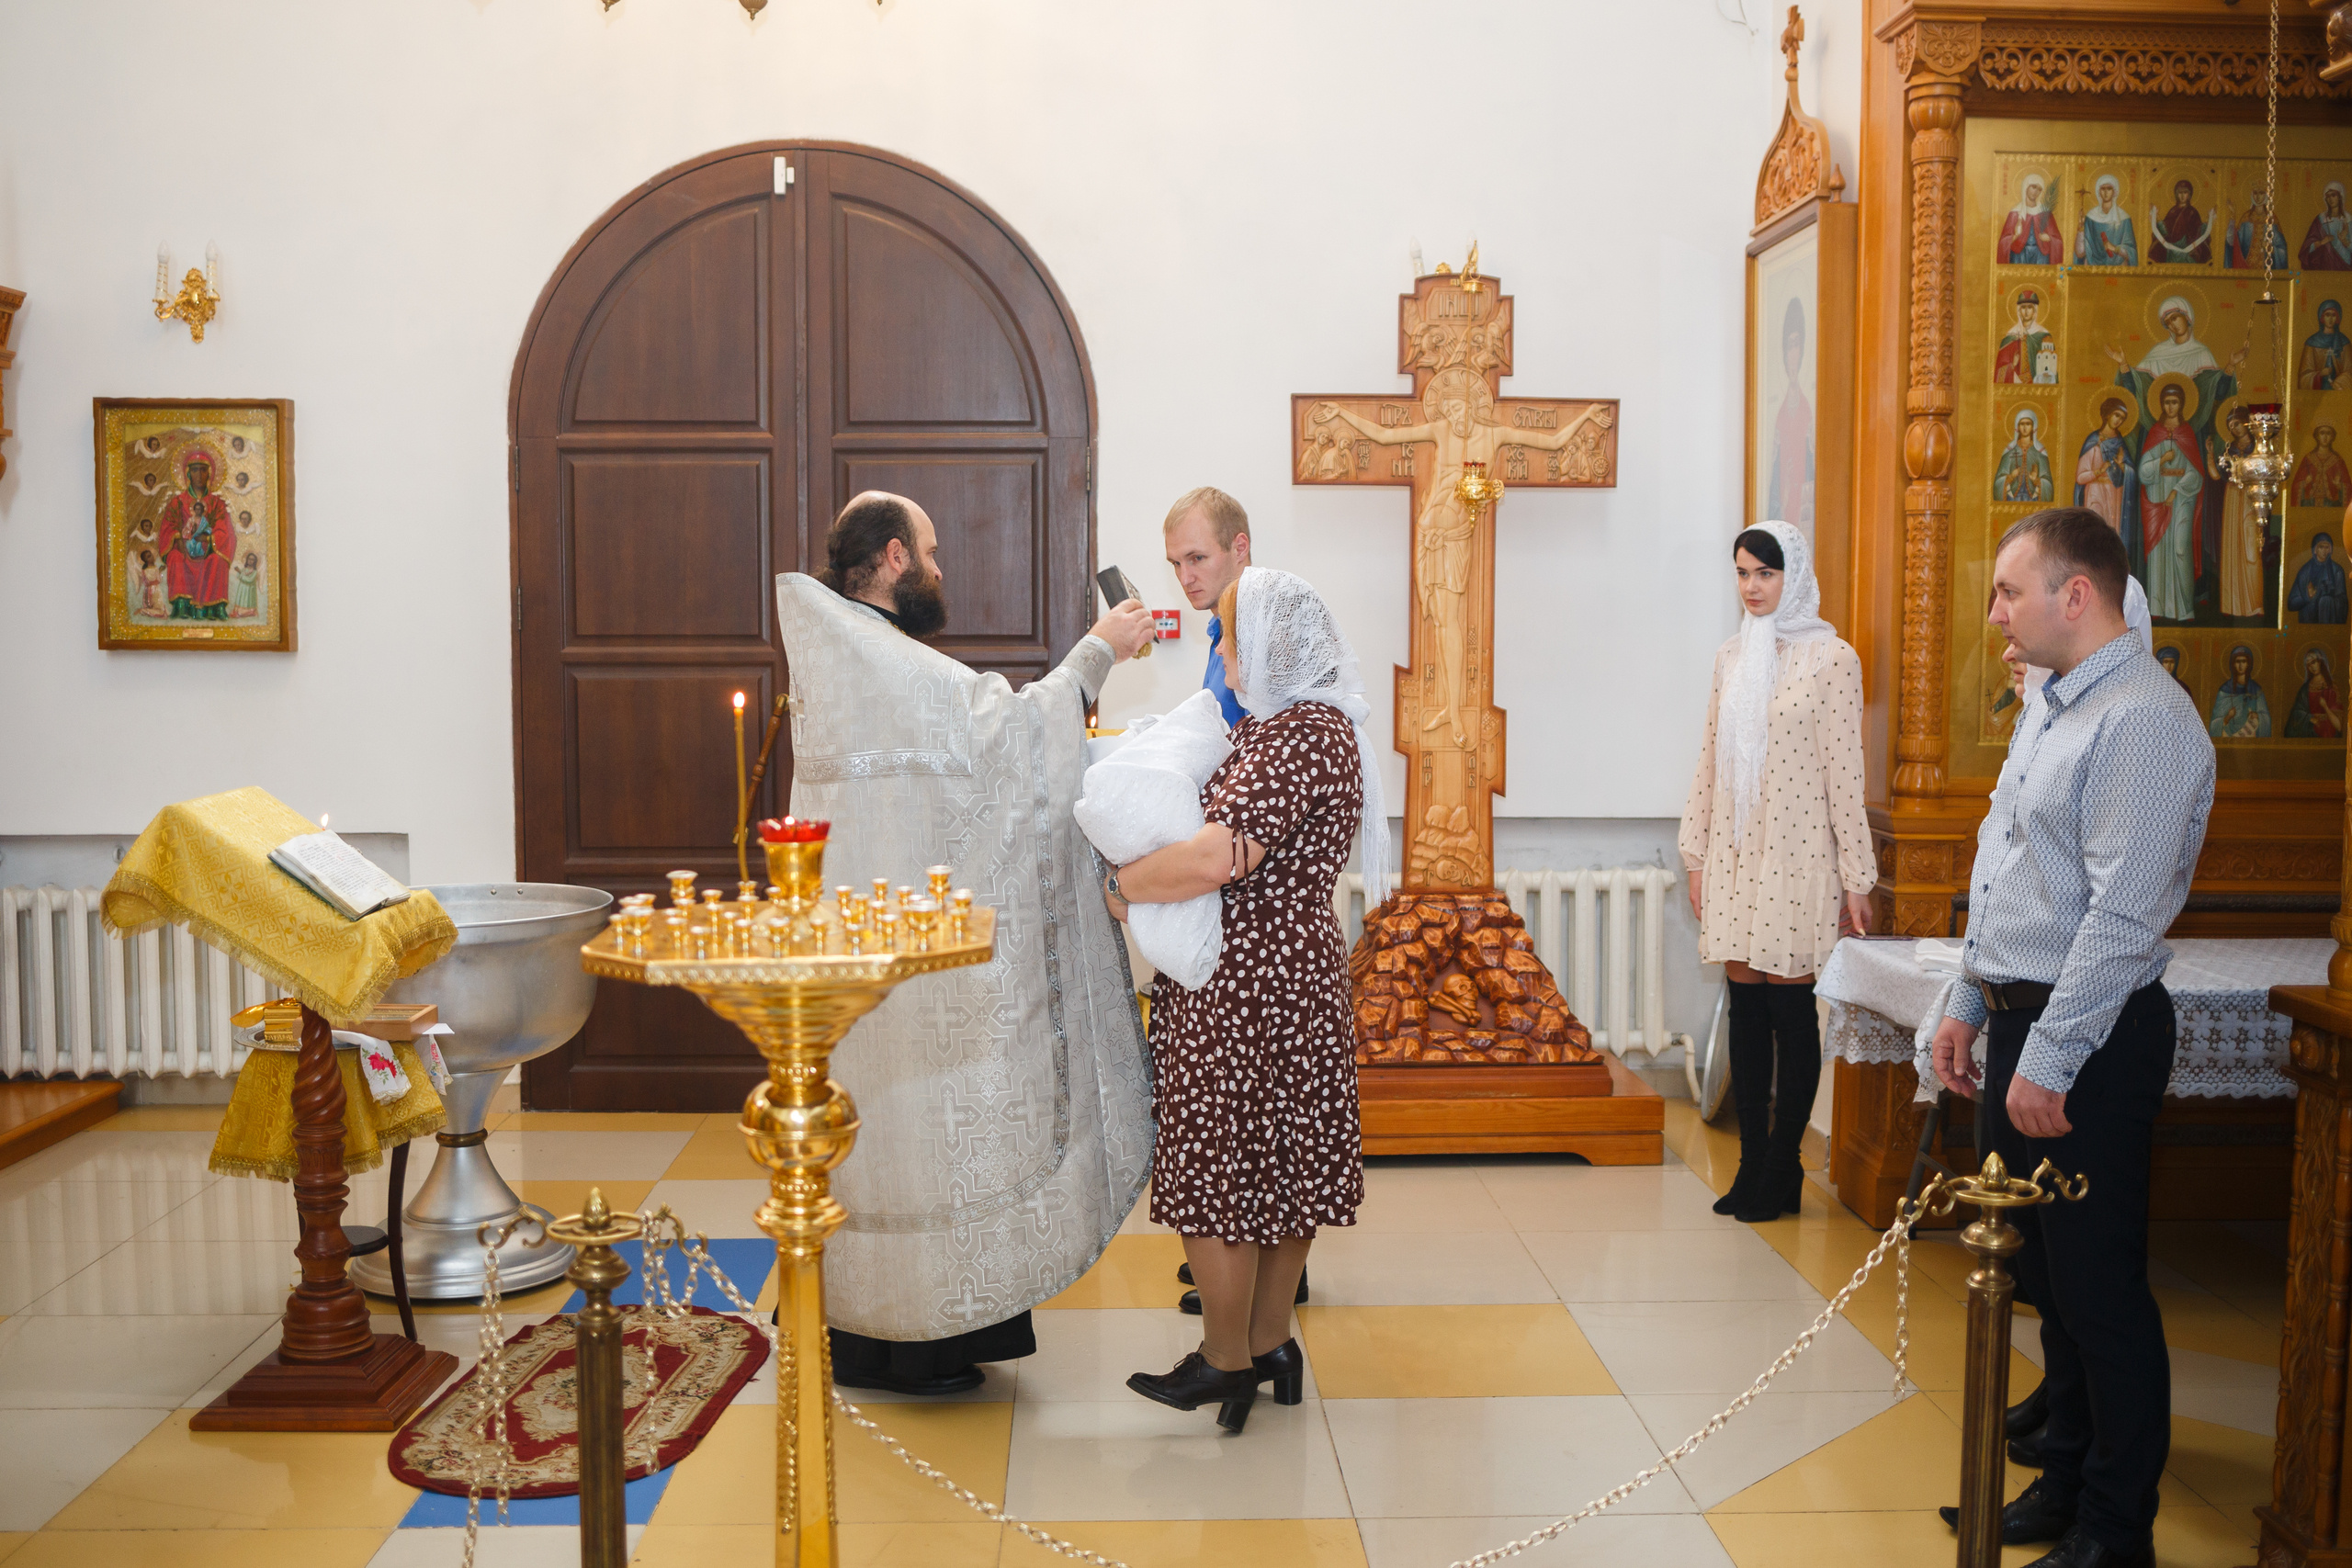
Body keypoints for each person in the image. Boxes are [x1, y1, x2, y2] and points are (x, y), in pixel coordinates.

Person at [772, 491, 1156, 1396]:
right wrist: (1099, 650)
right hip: (913, 971)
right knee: (930, 1130)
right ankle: (918, 1343)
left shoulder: (852, 657)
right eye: (933, 549)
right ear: (896, 557)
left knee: (884, 1138)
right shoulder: (877, 656)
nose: (941, 567)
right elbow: (1012, 738)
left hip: (869, 966)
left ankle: (875, 1333)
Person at [1930, 507, 2215, 1568]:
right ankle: (2061, 1482)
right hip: (2020, 1017)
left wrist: (2049, 1058)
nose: (1995, 612)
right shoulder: (2050, 707)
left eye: (2009, 591)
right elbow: (2007, 864)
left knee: (2098, 1291)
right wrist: (1966, 998)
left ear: (2076, 595)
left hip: (2086, 1040)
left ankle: (2113, 1528)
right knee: (2044, 1281)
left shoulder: (2141, 719)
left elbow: (2121, 913)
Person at [1107, 567, 1383, 1433]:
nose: (1217, 650)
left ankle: (1226, 1358)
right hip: (1282, 975)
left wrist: (1125, 886)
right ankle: (1268, 1343)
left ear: (1269, 644)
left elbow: (1218, 858)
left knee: (1219, 1167)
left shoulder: (1298, 734)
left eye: (1226, 635)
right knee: (1277, 1164)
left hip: (1247, 982)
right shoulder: (1303, 727)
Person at [1679, 521, 1875, 1224]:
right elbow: (1708, 759)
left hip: (1797, 857)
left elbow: (1845, 775)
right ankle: (1750, 1164)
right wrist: (1696, 855)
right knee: (1745, 1011)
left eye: (1765, 572)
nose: (1753, 586)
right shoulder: (1731, 656)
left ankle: (1783, 1167)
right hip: (1735, 855)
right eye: (1742, 573)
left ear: (1793, 575)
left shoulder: (1833, 659)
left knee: (1792, 1016)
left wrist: (1858, 874)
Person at [1162, 486, 1251, 729]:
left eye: (1197, 558)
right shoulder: (1220, 626)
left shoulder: (1262, 631)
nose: (1184, 578)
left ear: (1239, 548)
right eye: (1176, 563)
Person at [2133, 381, 2208, 622]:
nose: (2170, 406)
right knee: (2158, 552)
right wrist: (2161, 460)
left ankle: (2184, 609)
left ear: (2182, 404)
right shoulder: (2155, 432)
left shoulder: (2187, 434)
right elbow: (2143, 472)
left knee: (2180, 548)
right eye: (2166, 402)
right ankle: (2157, 608)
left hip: (2182, 498)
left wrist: (2176, 489)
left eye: (2175, 402)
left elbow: (2196, 473)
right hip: (2157, 497)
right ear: (2161, 404)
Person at [156, 447, 233, 622]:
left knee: (218, 561)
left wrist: (209, 539)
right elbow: (168, 527)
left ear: (210, 474)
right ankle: (181, 605)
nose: (199, 474)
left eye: (203, 470)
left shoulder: (216, 503)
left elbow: (223, 529)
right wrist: (178, 537)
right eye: (195, 470)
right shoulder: (177, 502)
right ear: (188, 474)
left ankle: (214, 608)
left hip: (208, 552)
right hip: (184, 550)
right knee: (175, 557)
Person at [2074, 397, 2139, 539]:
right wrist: (2099, 471)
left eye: (2122, 418)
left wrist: (2122, 465)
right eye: (2116, 415)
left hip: (2115, 496)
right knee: (2095, 533)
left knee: (2111, 536)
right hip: (2095, 492)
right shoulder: (2093, 441)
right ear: (2108, 414)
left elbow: (2132, 473)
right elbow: (2080, 477)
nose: (2118, 421)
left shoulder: (2121, 443)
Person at [2209, 644, 2272, 739]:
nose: (2241, 665)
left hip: (2251, 740)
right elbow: (2213, 725)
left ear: (2248, 664)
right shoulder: (2224, 691)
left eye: (2244, 661)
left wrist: (2257, 716)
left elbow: (2266, 719)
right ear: (2233, 664)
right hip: (2228, 739)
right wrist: (2227, 718)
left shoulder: (2256, 690)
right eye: (2237, 661)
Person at [1999, 173, 2063, 265]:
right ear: (2026, 187)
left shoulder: (2046, 213)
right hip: (2019, 256)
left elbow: (2058, 241)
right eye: (2033, 187)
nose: (2036, 192)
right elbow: (2002, 243)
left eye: (2039, 189)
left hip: (2041, 257)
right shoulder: (2015, 213)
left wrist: (2049, 238)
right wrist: (2016, 235)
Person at [1995, 291, 2055, 387]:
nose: (2026, 311)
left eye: (2030, 307)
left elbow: (2052, 372)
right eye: (2023, 307)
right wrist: (2012, 365)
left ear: (2035, 310)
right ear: (2019, 311)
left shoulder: (2045, 337)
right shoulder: (2010, 337)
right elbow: (1998, 374)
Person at [1995, 410, 2055, 503]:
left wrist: (2037, 481)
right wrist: (2011, 477)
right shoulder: (2009, 453)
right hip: (2012, 499)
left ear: (2033, 427)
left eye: (2028, 424)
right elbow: (1997, 483)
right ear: (2017, 427)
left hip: (2033, 499)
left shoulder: (2040, 453)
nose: (2025, 427)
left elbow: (2049, 485)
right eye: (2022, 424)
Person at [2075, 176, 2138, 266]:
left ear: (2114, 191)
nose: (2105, 193)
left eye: (2109, 189)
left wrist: (2115, 248)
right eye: (2103, 189)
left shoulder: (2124, 218)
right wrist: (2081, 228)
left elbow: (2132, 253)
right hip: (2093, 269)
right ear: (2099, 192)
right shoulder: (2090, 217)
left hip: (2118, 269)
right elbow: (2080, 253)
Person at [2147, 178, 2212, 264]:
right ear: (2176, 194)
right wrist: (2156, 218)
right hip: (2171, 250)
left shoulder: (2192, 212)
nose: (2182, 196)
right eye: (2180, 193)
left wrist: (2209, 220)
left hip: (2187, 252)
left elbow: (2198, 232)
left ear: (2189, 195)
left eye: (2185, 193)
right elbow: (2166, 232)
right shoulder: (2172, 211)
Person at [2290, 534, 2348, 624]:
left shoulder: (2337, 570)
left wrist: (2326, 598)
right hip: (2308, 623)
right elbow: (2291, 603)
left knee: (2325, 600)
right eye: (2321, 547)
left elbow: (2342, 601)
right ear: (2315, 550)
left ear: (2330, 549)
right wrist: (2308, 597)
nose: (2324, 551)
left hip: (2328, 621)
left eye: (2327, 547)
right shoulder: (2305, 571)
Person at [2285, 648, 2344, 738]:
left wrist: (2325, 707)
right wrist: (2311, 719)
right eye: (2308, 665)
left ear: (2320, 662)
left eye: (2313, 662)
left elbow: (2339, 726)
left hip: (2328, 730)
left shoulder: (2332, 687)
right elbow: (2296, 712)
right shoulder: (2305, 689)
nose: (2312, 667)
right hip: (2309, 728)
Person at [2292, 424, 2351, 508]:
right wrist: (2305, 483)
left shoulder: (2338, 461)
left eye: (2328, 433)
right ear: (2317, 436)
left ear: (2332, 437)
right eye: (2322, 433)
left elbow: (2348, 486)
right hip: (2310, 505)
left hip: (2332, 505)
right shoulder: (2308, 459)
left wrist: (2339, 485)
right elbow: (2295, 486)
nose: (2325, 437)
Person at [2300, 300, 2348, 391]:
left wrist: (2339, 382)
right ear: (2321, 317)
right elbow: (2304, 377)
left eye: (2333, 315)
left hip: (2338, 391)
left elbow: (2350, 371)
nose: (2330, 319)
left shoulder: (2344, 342)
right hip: (2317, 396)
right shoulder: (2312, 343)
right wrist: (2320, 374)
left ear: (2338, 318)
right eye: (2327, 315)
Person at [2302, 182, 2352, 271]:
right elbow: (2306, 248)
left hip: (2345, 266)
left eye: (2333, 195)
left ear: (2340, 197)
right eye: (2328, 196)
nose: (2330, 199)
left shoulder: (2348, 220)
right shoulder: (2320, 220)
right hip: (2324, 266)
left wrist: (2345, 242)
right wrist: (2321, 243)